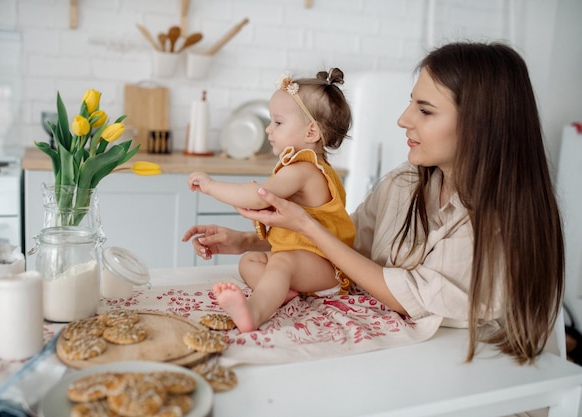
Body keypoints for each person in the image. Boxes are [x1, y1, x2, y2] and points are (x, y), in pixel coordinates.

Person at [183, 41, 565, 365]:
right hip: (407, 362)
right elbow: (348, 243)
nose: (403, 119)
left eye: (425, 110)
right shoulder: (404, 183)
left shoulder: (494, 225)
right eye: (410, 103)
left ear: (482, 124)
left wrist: (303, 224)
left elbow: (406, 295)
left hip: (472, 376)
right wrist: (249, 241)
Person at [186, 68, 356, 332]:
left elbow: (258, 198)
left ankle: (253, 313)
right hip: (304, 264)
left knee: (281, 262)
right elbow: (259, 203)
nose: (268, 129)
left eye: (278, 122)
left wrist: (211, 186)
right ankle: (282, 293)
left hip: (325, 267)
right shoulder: (299, 167)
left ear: (311, 132)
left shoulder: (304, 170)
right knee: (249, 261)